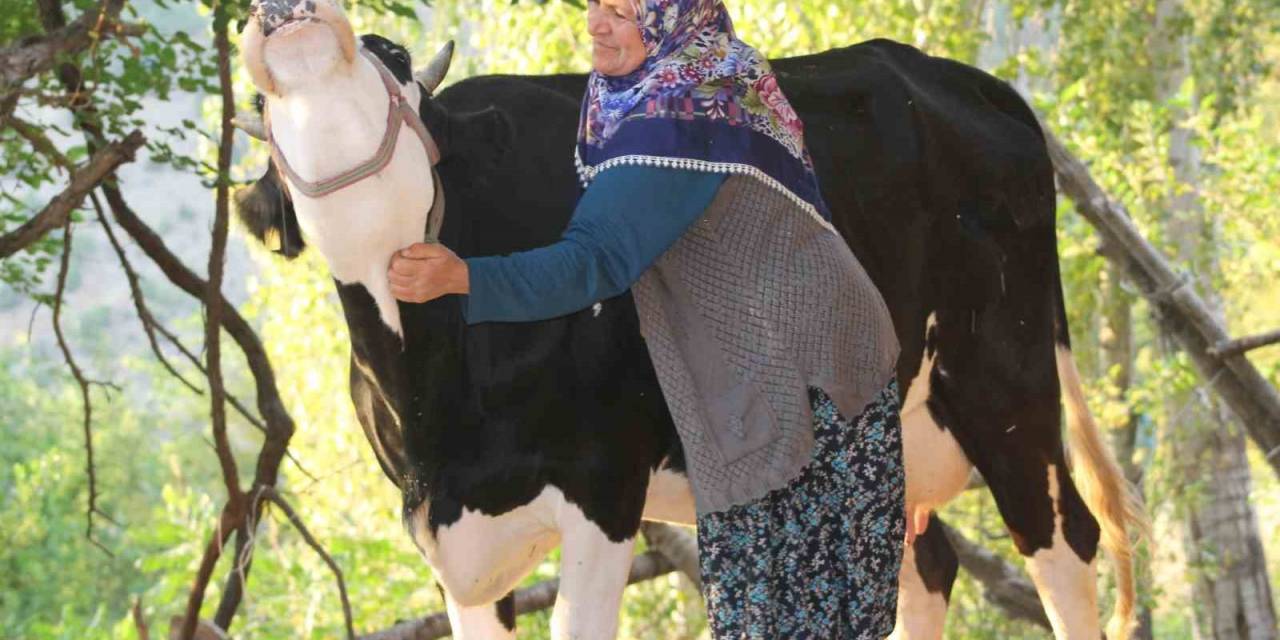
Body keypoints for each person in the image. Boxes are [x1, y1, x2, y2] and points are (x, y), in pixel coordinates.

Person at [387, 0, 905, 636]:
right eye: (595, 5)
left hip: (801, 393)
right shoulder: (713, 69)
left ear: (671, 18)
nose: (596, 24)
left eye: (622, 12)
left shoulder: (678, 116)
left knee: (786, 618)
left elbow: (594, 263)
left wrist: (461, 276)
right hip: (823, 362)